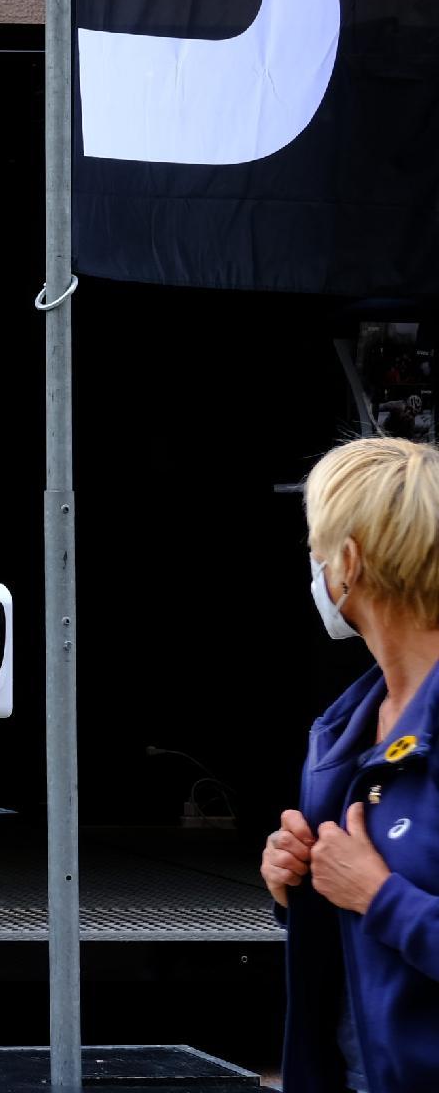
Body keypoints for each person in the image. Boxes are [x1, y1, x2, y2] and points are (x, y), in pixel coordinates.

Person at [263, 434, 439, 1093]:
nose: (316, 571)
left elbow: (379, 893)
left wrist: (376, 894)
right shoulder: (348, 727)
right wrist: (302, 888)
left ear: (350, 561)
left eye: (317, 552)